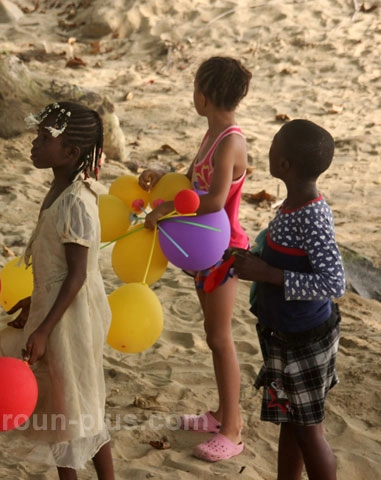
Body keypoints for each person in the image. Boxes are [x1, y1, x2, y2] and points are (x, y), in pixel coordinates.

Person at [138, 56, 252, 461]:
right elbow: (191, 183)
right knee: (211, 333)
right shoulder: (211, 134)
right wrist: (159, 175)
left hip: (224, 251)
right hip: (203, 247)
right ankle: (222, 413)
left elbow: (216, 200)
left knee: (221, 339)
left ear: (202, 97)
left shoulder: (231, 142)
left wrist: (167, 208)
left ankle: (234, 431)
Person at [229, 119, 345, 480]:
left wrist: (267, 275)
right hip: (282, 338)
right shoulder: (293, 205)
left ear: (284, 166)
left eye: (274, 142)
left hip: (304, 340)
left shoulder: (313, 216)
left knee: (309, 432)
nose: (269, 146)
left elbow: (334, 282)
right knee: (290, 423)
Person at [7, 101, 114, 479]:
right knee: (65, 403)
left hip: (69, 320)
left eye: (44, 137)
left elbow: (76, 275)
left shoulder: (76, 203)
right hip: (54, 309)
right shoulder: (59, 187)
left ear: (71, 152)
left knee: (74, 405)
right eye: (37, 133)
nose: (34, 143)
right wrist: (32, 300)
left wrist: (43, 329)